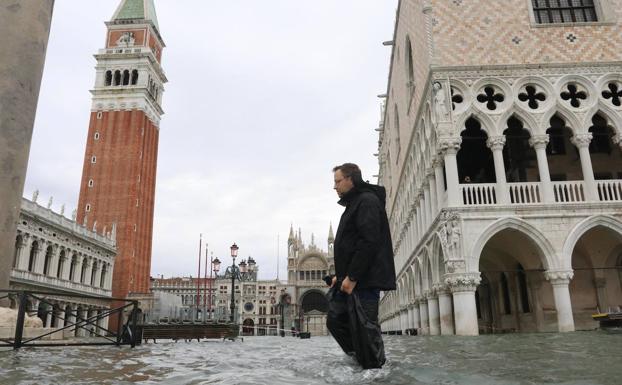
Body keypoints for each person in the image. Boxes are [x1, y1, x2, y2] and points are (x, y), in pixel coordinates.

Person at [326, 163, 396, 369]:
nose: (335, 187)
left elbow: (368, 241)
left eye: (337, 181)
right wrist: (341, 276)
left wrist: (353, 277)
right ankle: (359, 357)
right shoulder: (355, 203)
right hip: (352, 278)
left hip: (364, 280)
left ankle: (374, 369)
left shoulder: (367, 201)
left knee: (366, 327)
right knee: (336, 320)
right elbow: (352, 244)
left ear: (350, 179)